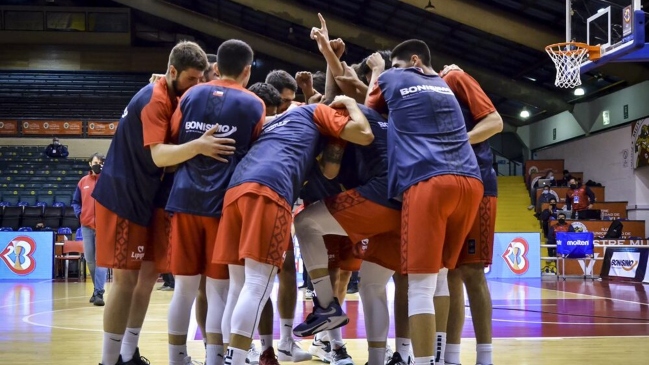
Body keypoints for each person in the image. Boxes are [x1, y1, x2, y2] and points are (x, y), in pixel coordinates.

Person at [92, 41, 231, 365]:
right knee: (125, 281)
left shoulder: (172, 93)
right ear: (172, 71)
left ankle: (129, 353)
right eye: (192, 79)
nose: (197, 86)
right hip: (123, 197)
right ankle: (108, 361)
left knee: (148, 277)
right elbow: (158, 157)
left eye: (201, 80)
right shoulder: (155, 99)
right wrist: (199, 146)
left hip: (148, 199)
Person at [212, 96, 373, 365]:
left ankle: (231, 356)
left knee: (239, 286)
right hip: (269, 189)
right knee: (256, 286)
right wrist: (351, 105)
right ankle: (236, 359)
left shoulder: (285, 118)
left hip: (235, 190)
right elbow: (363, 135)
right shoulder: (318, 114)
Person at [366, 39, 483, 365]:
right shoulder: (447, 85)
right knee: (444, 276)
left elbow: (368, 115)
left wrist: (378, 69)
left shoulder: (392, 77)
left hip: (429, 182)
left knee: (418, 287)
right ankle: (446, 358)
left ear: (413, 61)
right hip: (470, 182)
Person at [165, 39, 265, 365]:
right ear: (247, 70)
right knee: (218, 290)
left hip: (182, 198)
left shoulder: (190, 94)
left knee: (183, 288)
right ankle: (214, 359)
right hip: (223, 206)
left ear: (216, 67)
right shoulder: (253, 104)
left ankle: (177, 358)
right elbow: (255, 150)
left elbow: (176, 133)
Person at [71, 152, 107, 307]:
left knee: (102, 261)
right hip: (86, 226)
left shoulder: (109, 181)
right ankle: (96, 288)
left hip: (104, 226)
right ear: (89, 164)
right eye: (95, 162)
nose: (97, 164)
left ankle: (99, 293)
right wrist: (80, 215)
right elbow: (75, 201)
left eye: (100, 162)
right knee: (90, 261)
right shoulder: (82, 182)